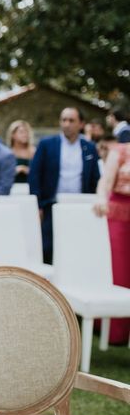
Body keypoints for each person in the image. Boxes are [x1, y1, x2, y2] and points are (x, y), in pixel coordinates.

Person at [29, 107, 100, 263]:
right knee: (48, 248)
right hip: (50, 205)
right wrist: (37, 204)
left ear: (81, 124)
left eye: (71, 120)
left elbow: (95, 178)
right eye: (64, 120)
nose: (66, 124)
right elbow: (35, 175)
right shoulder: (47, 144)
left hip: (79, 206)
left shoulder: (89, 147)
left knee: (76, 247)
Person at [93, 142, 130, 345]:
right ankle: (116, 332)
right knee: (120, 272)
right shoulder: (120, 151)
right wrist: (100, 199)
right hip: (119, 215)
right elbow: (105, 182)